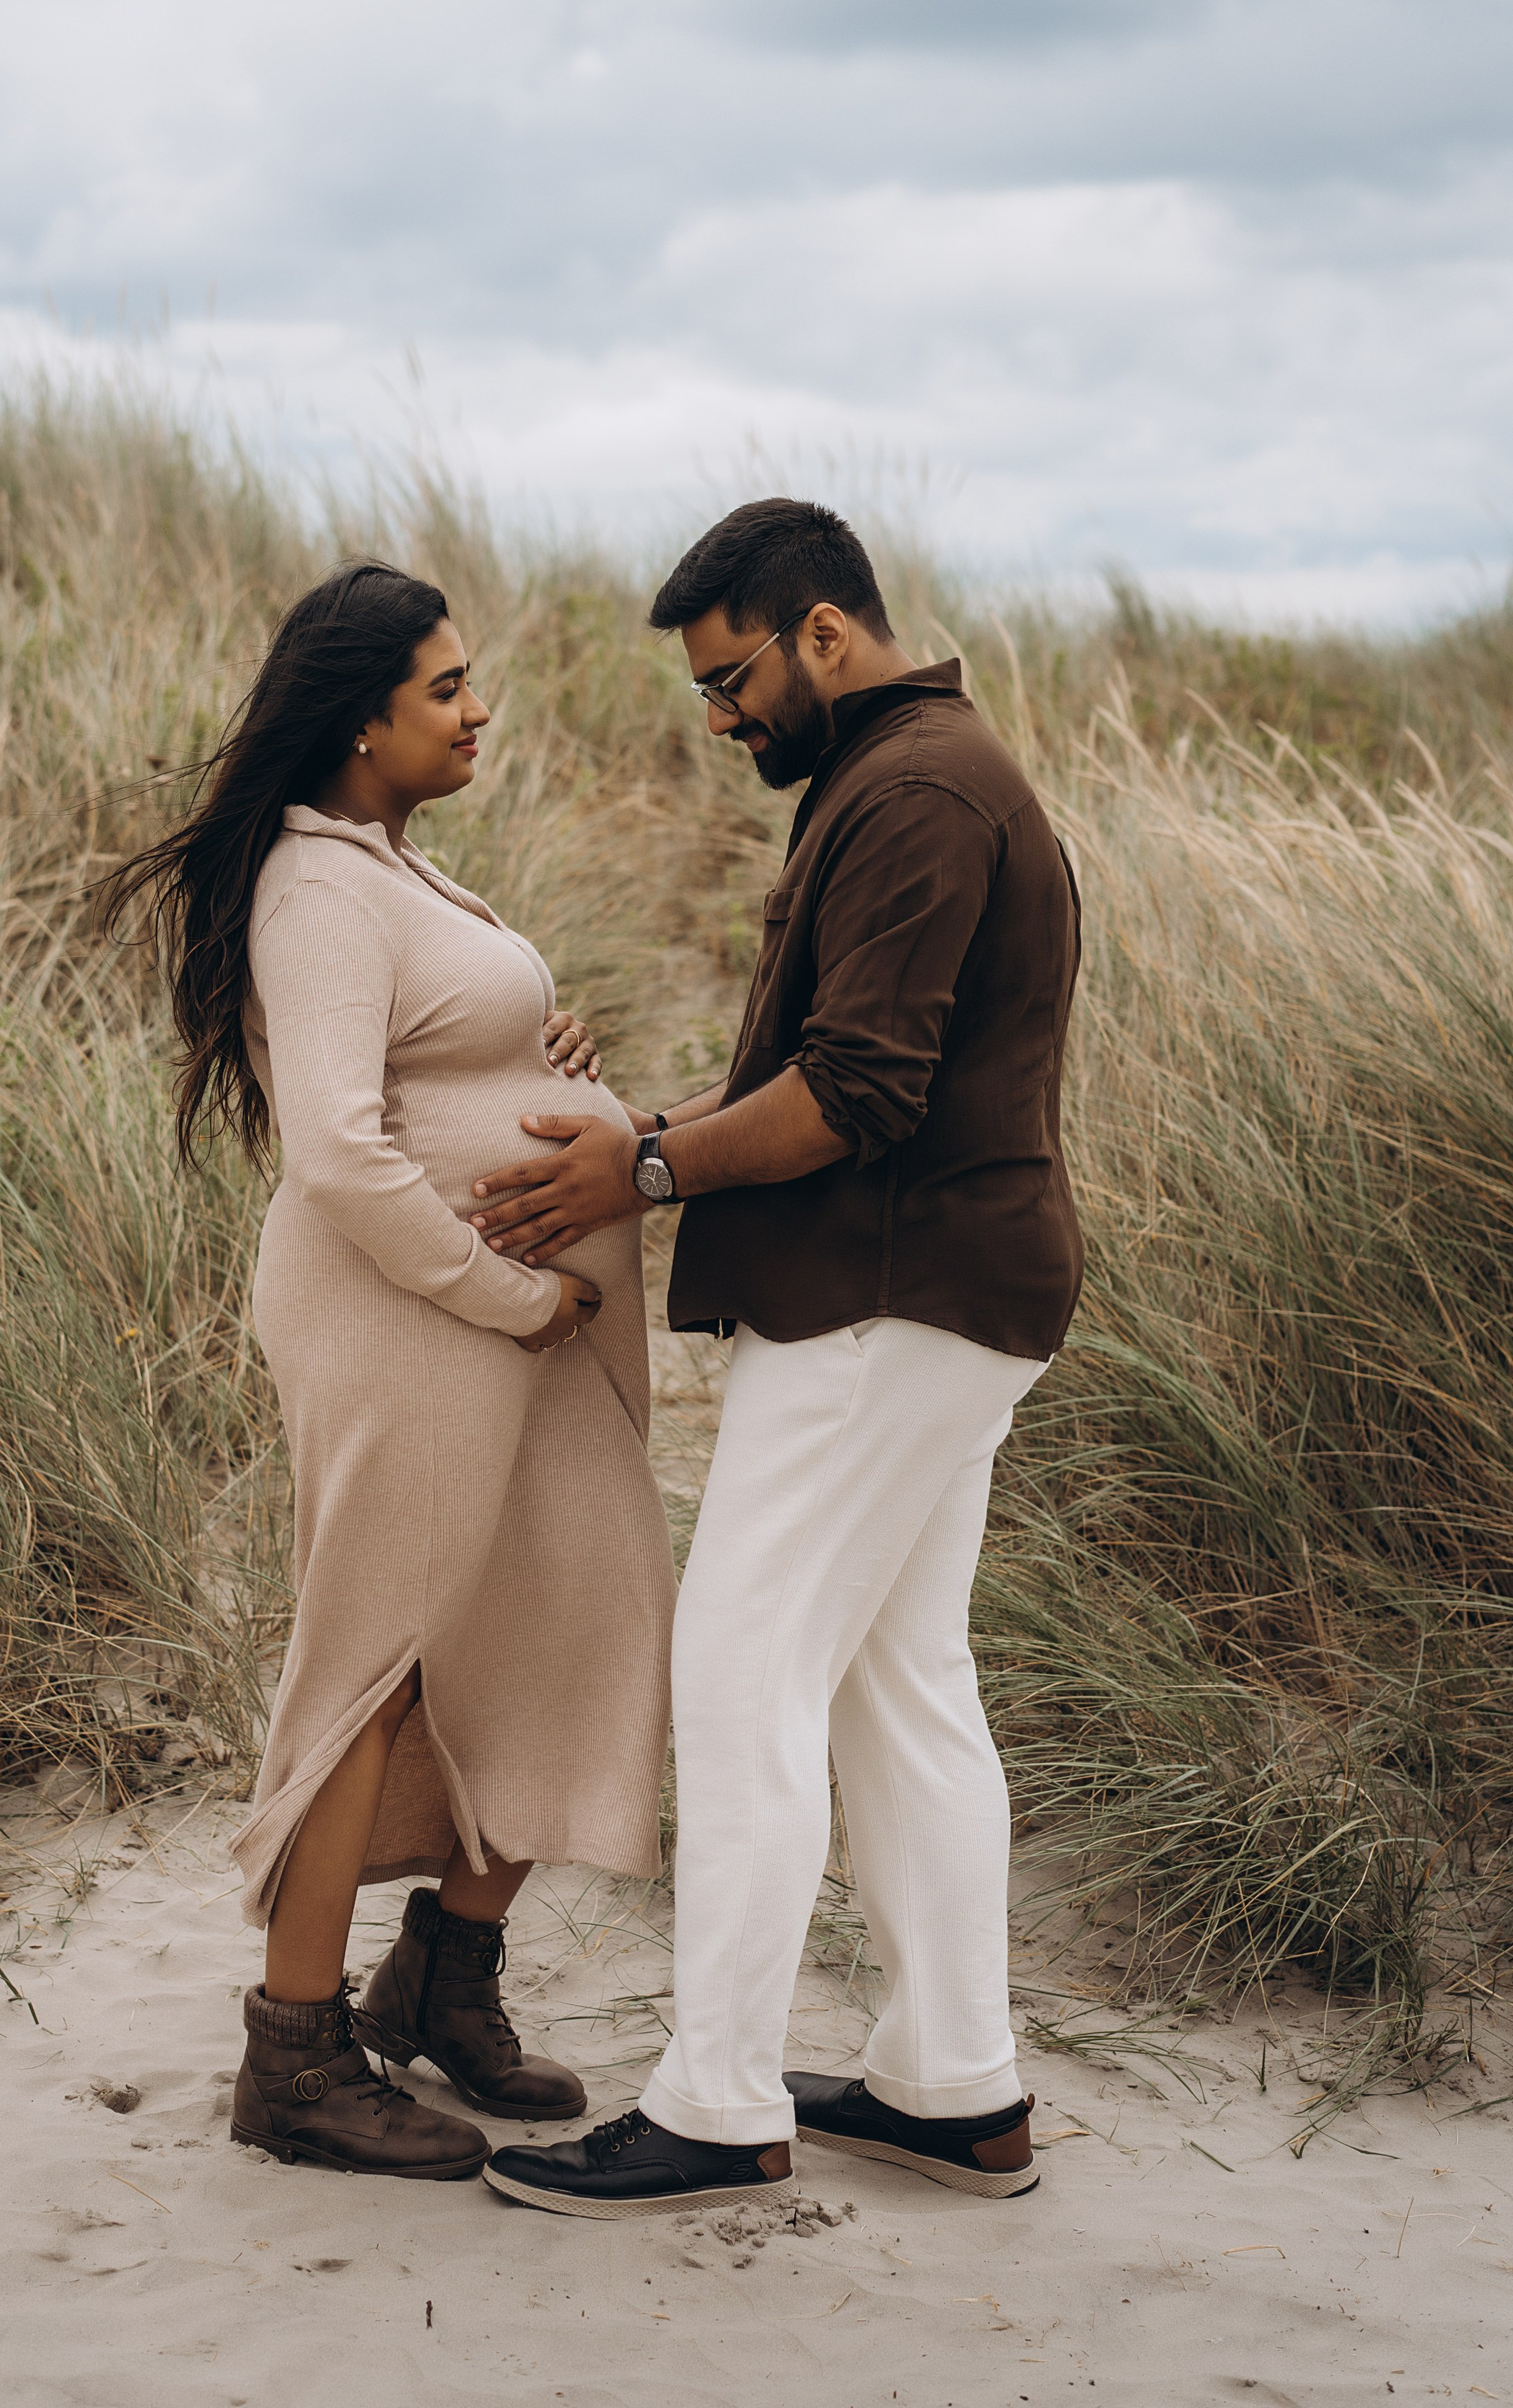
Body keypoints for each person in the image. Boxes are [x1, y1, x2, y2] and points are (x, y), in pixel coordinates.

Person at [461, 499, 1083, 2221]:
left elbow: (859, 1090)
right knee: (900, 1685)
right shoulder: (909, 777)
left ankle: (717, 2103)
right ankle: (953, 2086)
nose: (720, 714)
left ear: (824, 632)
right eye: (702, 692)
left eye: (732, 677)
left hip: (885, 1303)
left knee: (742, 1676)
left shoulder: (916, 793)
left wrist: (642, 1166)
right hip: (940, 1294)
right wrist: (659, 1139)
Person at [108, 561, 675, 2185]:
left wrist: (542, 1057)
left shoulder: (385, 870)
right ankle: (292, 2055)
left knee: (581, 1604)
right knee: (376, 1652)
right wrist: (503, 1294)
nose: (477, 708)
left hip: (501, 1325)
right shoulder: (315, 888)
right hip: (411, 1317)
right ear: (361, 721)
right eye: (446, 688)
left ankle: (439, 1977)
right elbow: (343, 1158)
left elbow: (436, 1063)